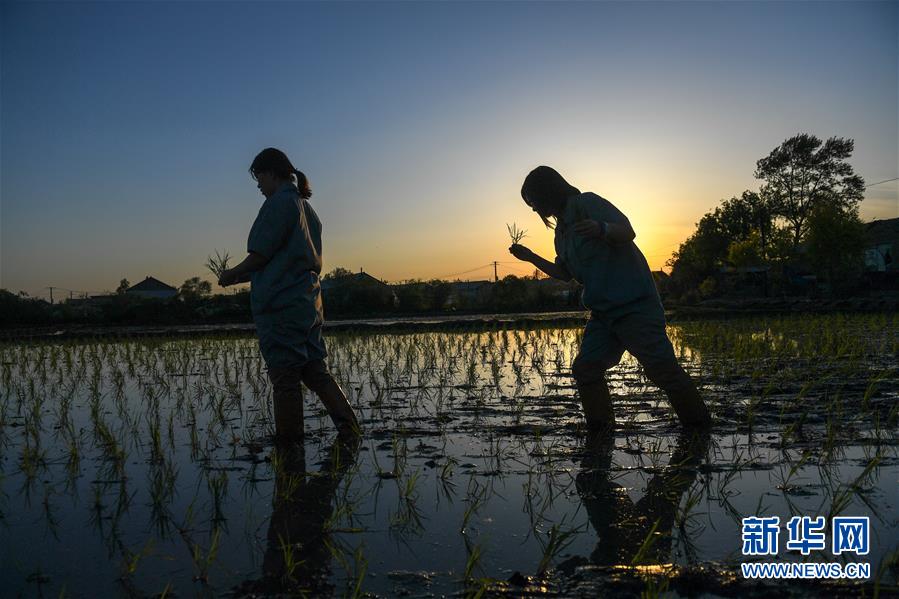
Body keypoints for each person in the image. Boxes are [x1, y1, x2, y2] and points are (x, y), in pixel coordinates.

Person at [509, 166, 711, 429]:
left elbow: (627, 231)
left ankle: (699, 431)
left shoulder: (588, 203)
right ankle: (600, 434)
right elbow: (565, 273)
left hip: (635, 307)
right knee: (586, 370)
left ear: (549, 192)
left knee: (664, 371)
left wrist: (601, 228)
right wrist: (530, 257)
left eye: (535, 202)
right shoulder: (561, 234)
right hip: (603, 315)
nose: (535, 209)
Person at [219, 147, 359, 442]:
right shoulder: (306, 208)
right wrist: (240, 276)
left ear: (272, 173)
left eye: (259, 177)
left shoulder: (278, 204)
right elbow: (282, 258)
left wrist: (232, 273)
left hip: (281, 306)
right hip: (307, 303)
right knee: (314, 369)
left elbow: (260, 255)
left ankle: (289, 445)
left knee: (284, 378)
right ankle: (350, 428)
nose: (258, 185)